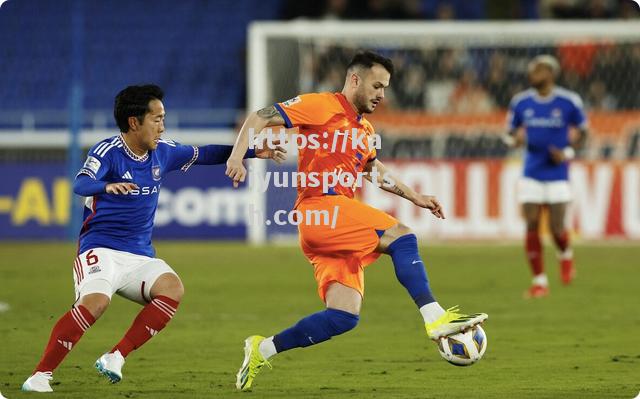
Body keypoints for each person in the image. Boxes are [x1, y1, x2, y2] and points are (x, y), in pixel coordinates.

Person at [226, 50, 488, 390]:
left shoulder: (364, 129)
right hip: (322, 209)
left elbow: (372, 171)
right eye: (377, 86)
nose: (382, 94)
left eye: (385, 88)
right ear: (354, 80)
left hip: (332, 224)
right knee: (402, 237)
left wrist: (416, 197)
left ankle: (262, 348)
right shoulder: (320, 105)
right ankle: (435, 317)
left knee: (344, 315)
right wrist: (238, 155)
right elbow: (259, 116)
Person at [22, 84, 285, 392]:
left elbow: (206, 153)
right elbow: (81, 183)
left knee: (172, 288)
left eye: (163, 118)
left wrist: (252, 152)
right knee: (96, 303)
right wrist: (106, 187)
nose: (162, 126)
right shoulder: (108, 152)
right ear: (134, 122)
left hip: (139, 256)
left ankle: (115, 356)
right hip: (100, 249)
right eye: (157, 119)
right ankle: (39, 376)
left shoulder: (165, 151)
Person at [503, 55, 589, 298]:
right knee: (531, 224)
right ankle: (539, 281)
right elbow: (508, 133)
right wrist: (514, 139)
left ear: (551, 73)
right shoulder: (521, 102)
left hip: (558, 174)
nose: (533, 74)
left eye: (538, 70)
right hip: (531, 172)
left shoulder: (568, 101)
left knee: (557, 229)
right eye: (532, 70)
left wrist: (567, 152)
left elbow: (584, 132)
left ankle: (565, 254)